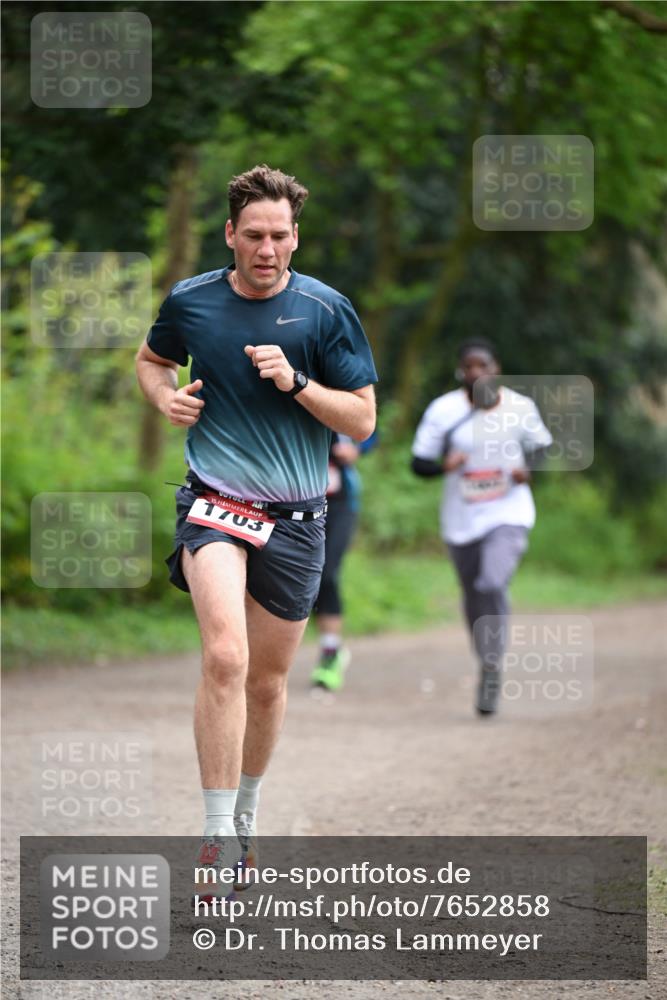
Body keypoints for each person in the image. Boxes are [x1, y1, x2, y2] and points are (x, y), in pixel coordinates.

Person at [135, 164, 377, 895]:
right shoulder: (193, 300)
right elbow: (151, 360)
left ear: (295, 237)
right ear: (230, 235)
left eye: (278, 235)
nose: (266, 249)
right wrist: (166, 399)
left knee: (267, 685)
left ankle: (244, 816)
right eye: (253, 236)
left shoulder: (325, 311)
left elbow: (362, 420)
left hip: (298, 520)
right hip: (214, 506)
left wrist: (297, 383)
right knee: (225, 657)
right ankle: (214, 834)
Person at [411, 338, 552, 716]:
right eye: (469, 366)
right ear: (461, 371)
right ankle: (487, 660)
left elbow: (543, 447)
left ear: (496, 369)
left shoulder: (520, 407)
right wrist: (444, 466)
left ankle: (492, 666)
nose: (476, 372)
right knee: (474, 593)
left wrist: (527, 470)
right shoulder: (444, 410)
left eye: (483, 365)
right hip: (461, 520)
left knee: (491, 583)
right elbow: (419, 463)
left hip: (508, 513)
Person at [310, 430, 376, 693]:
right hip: (293, 501)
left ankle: (330, 652)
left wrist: (357, 450)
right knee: (301, 580)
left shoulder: (337, 402)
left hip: (340, 505)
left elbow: (370, 429)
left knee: (326, 573)